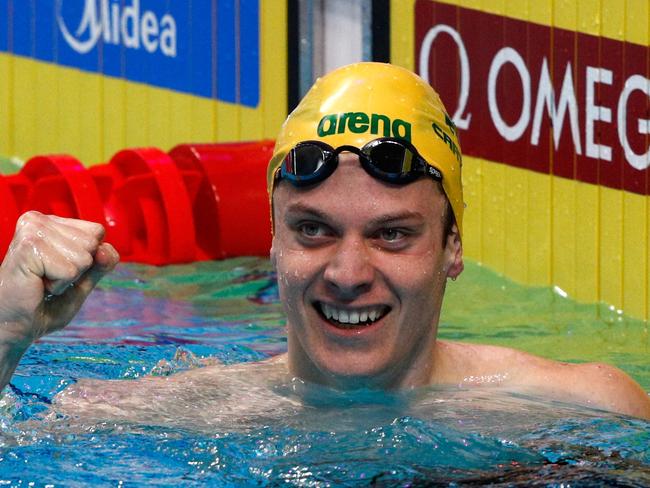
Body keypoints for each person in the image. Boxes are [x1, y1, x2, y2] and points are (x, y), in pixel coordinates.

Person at [0, 63, 648, 421]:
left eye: (392, 234)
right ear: (271, 240)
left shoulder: (581, 408)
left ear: (454, 247)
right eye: (314, 230)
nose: (346, 271)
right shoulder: (171, 413)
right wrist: (6, 335)